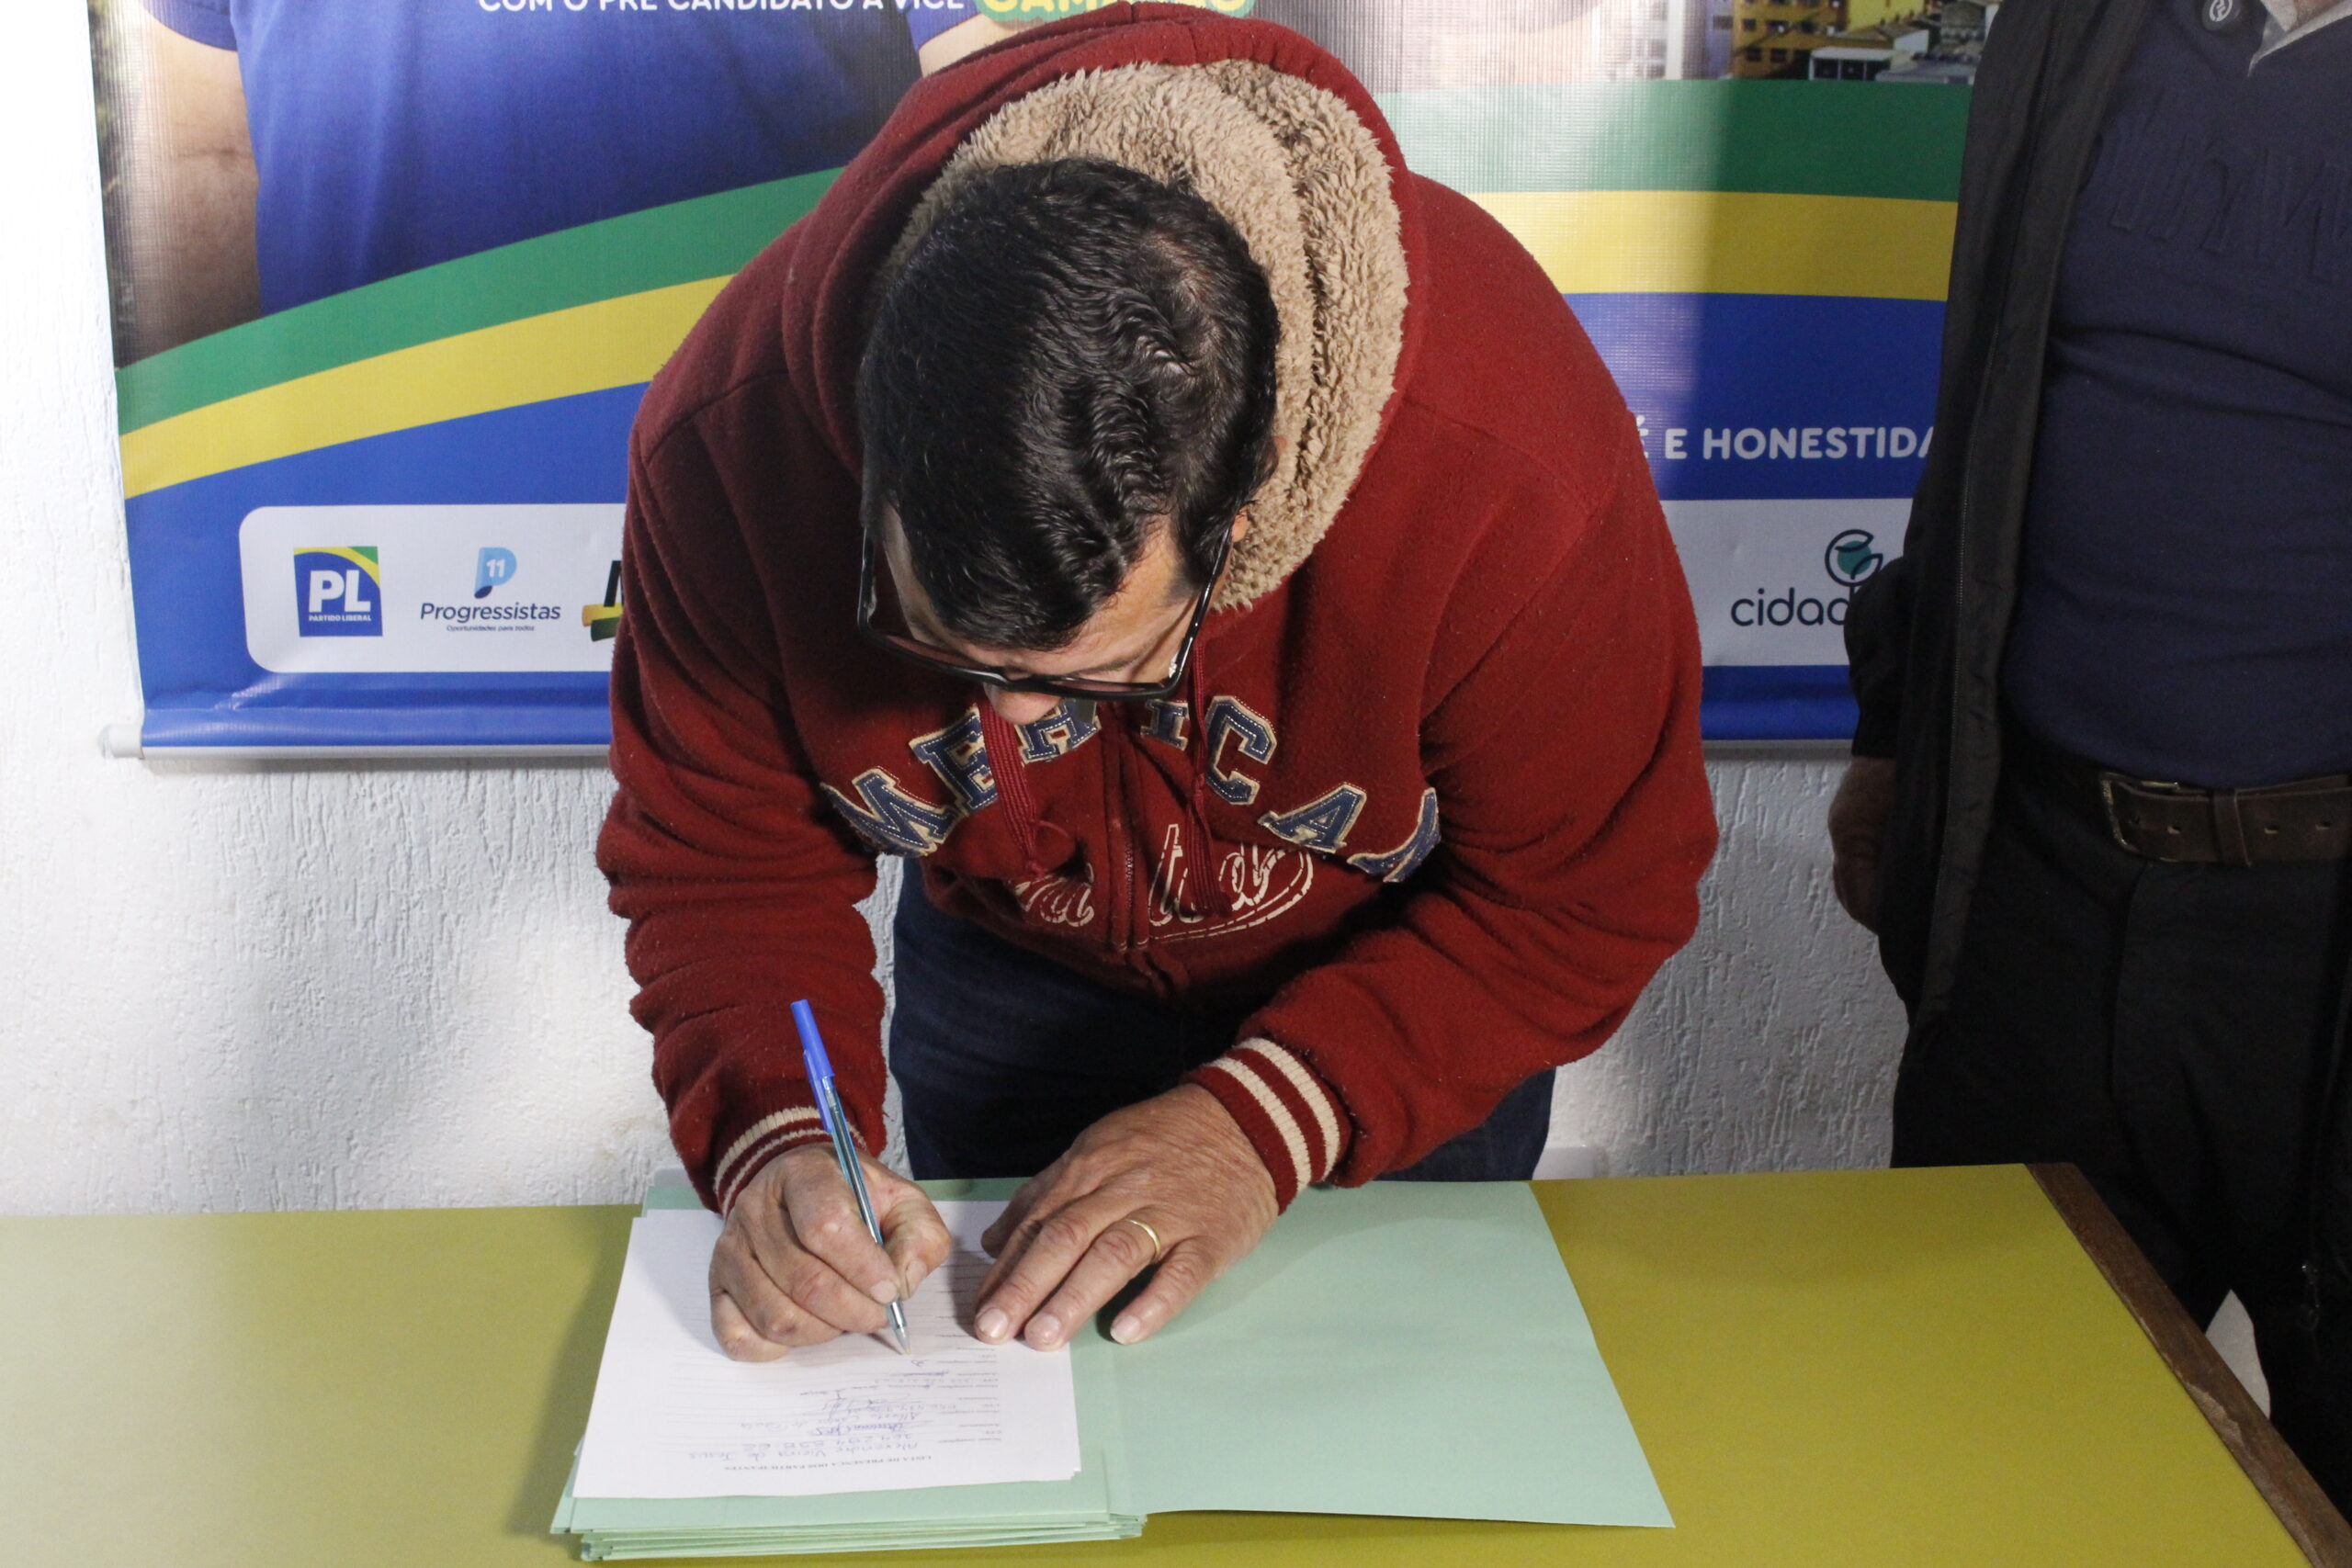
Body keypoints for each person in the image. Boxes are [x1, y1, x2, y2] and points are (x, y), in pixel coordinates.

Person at [600, 5, 1715, 1363]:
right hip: (1008, 975)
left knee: (1388, 1428)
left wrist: (1267, 1119)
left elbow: (1591, 890)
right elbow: (725, 862)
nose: (1012, 725)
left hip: (1402, 995)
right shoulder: (732, 439)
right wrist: (777, 1134)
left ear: (1250, 509)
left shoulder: (1499, 447)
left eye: (1108, 671)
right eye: (942, 649)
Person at [1829, 0, 2352, 1507]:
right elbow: (1986, 396)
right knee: (1977, 1451)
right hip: (2040, 894)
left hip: (2325, 948)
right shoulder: (2075, 25)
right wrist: (1894, 730)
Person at [113, 0, 922, 359]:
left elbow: (987, 101)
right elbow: (204, 155)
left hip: (782, 442)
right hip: (367, 461)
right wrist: (198, 467)